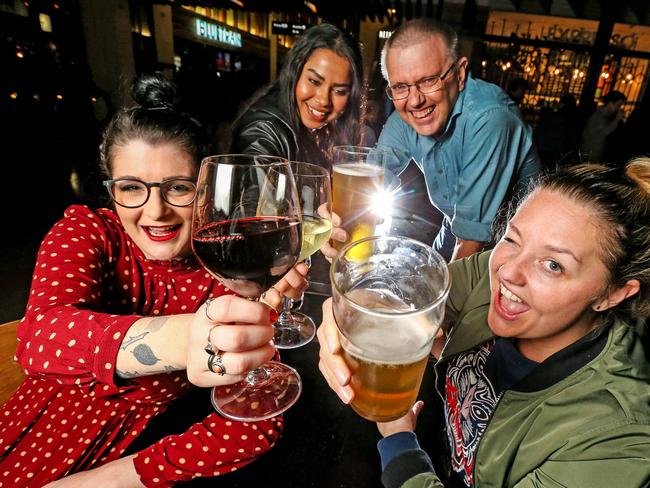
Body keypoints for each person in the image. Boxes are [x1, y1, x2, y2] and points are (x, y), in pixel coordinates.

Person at [0, 73, 308, 487]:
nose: (155, 210)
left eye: (177, 187)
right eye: (130, 188)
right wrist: (191, 338)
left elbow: (256, 420)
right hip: (29, 437)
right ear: (110, 189)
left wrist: (106, 481)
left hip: (124, 455)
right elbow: (39, 339)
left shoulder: (222, 265)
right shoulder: (89, 230)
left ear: (204, 191)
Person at [318, 159, 650, 487]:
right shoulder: (491, 271)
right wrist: (347, 308)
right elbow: (404, 289)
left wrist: (400, 442)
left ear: (613, 294)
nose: (507, 273)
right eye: (512, 239)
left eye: (552, 265)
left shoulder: (616, 439)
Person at [373, 18, 540, 262]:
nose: (415, 101)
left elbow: (472, 239)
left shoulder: (489, 118)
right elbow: (369, 178)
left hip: (518, 244)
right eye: (400, 87)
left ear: (460, 74)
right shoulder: (405, 117)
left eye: (428, 80)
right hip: (455, 224)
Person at [230, 23, 364, 169]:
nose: (324, 100)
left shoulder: (322, 132)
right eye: (314, 81)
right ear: (295, 71)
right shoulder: (264, 130)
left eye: (339, 91)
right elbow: (258, 191)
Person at [533, 93, 581, 171]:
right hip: (562, 153)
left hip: (546, 150)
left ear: (562, 104)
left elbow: (539, 132)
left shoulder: (554, 117)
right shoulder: (575, 119)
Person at [581, 90, 626, 164]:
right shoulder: (599, 116)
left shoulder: (604, 115)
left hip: (593, 154)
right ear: (611, 103)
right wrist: (617, 119)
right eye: (618, 105)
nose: (618, 108)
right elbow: (605, 132)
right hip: (590, 155)